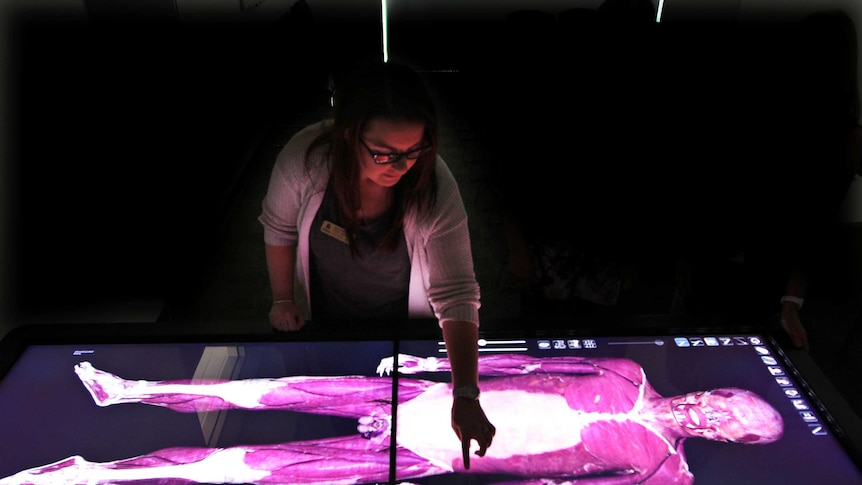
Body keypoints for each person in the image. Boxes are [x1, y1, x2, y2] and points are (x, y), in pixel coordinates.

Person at [1, 356, 783, 485]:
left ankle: (93, 475)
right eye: (726, 396)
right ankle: (127, 388)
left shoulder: (661, 470)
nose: (713, 408)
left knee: (242, 470)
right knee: (268, 389)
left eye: (729, 419)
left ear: (728, 439)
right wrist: (432, 368)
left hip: (427, 463)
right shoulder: (627, 372)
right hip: (418, 400)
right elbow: (519, 369)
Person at [256, 59, 494, 457]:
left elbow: (456, 292)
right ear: (349, 135)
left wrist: (466, 393)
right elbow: (278, 227)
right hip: (328, 324)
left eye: (415, 150)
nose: (402, 166)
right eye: (385, 154)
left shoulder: (434, 184)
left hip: (406, 329)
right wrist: (283, 299)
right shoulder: (305, 160)